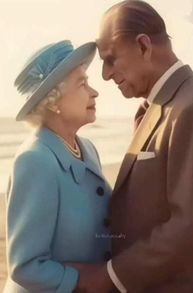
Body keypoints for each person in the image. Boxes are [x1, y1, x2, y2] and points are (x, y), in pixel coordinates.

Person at [91, 1, 193, 292]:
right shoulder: (160, 107)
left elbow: (191, 229)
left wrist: (110, 276)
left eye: (110, 59)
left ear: (144, 46)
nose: (105, 74)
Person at [3, 40, 113, 292]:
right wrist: (86, 280)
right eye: (82, 84)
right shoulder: (35, 161)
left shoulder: (87, 148)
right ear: (53, 101)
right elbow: (26, 266)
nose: (94, 92)